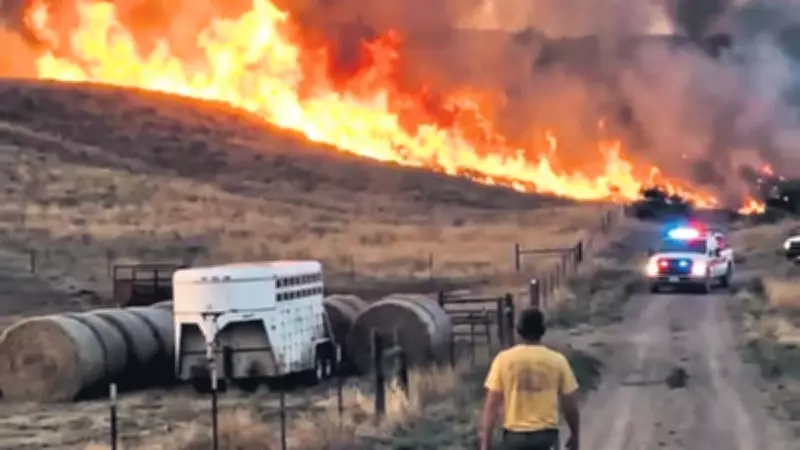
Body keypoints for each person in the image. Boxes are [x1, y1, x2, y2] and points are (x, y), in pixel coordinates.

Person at [478, 308, 581, 450]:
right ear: (542, 331)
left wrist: (485, 443)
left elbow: (492, 406)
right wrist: (575, 434)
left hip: (515, 438)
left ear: (519, 331)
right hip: (545, 436)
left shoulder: (503, 360)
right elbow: (569, 404)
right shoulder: (557, 360)